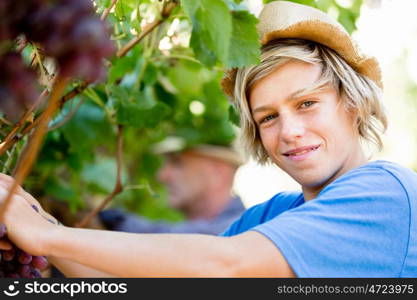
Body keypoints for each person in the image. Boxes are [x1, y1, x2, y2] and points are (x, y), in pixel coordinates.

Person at [0, 0, 416, 277]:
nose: (288, 131)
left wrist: (46, 236)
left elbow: (225, 267)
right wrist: (36, 223)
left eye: (306, 104)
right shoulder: (271, 216)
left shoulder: (386, 195)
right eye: (267, 117)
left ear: (354, 104)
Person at [99, 137, 246, 235]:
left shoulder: (242, 231)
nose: (162, 176)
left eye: (177, 163)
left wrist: (114, 220)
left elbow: (183, 243)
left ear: (217, 173)